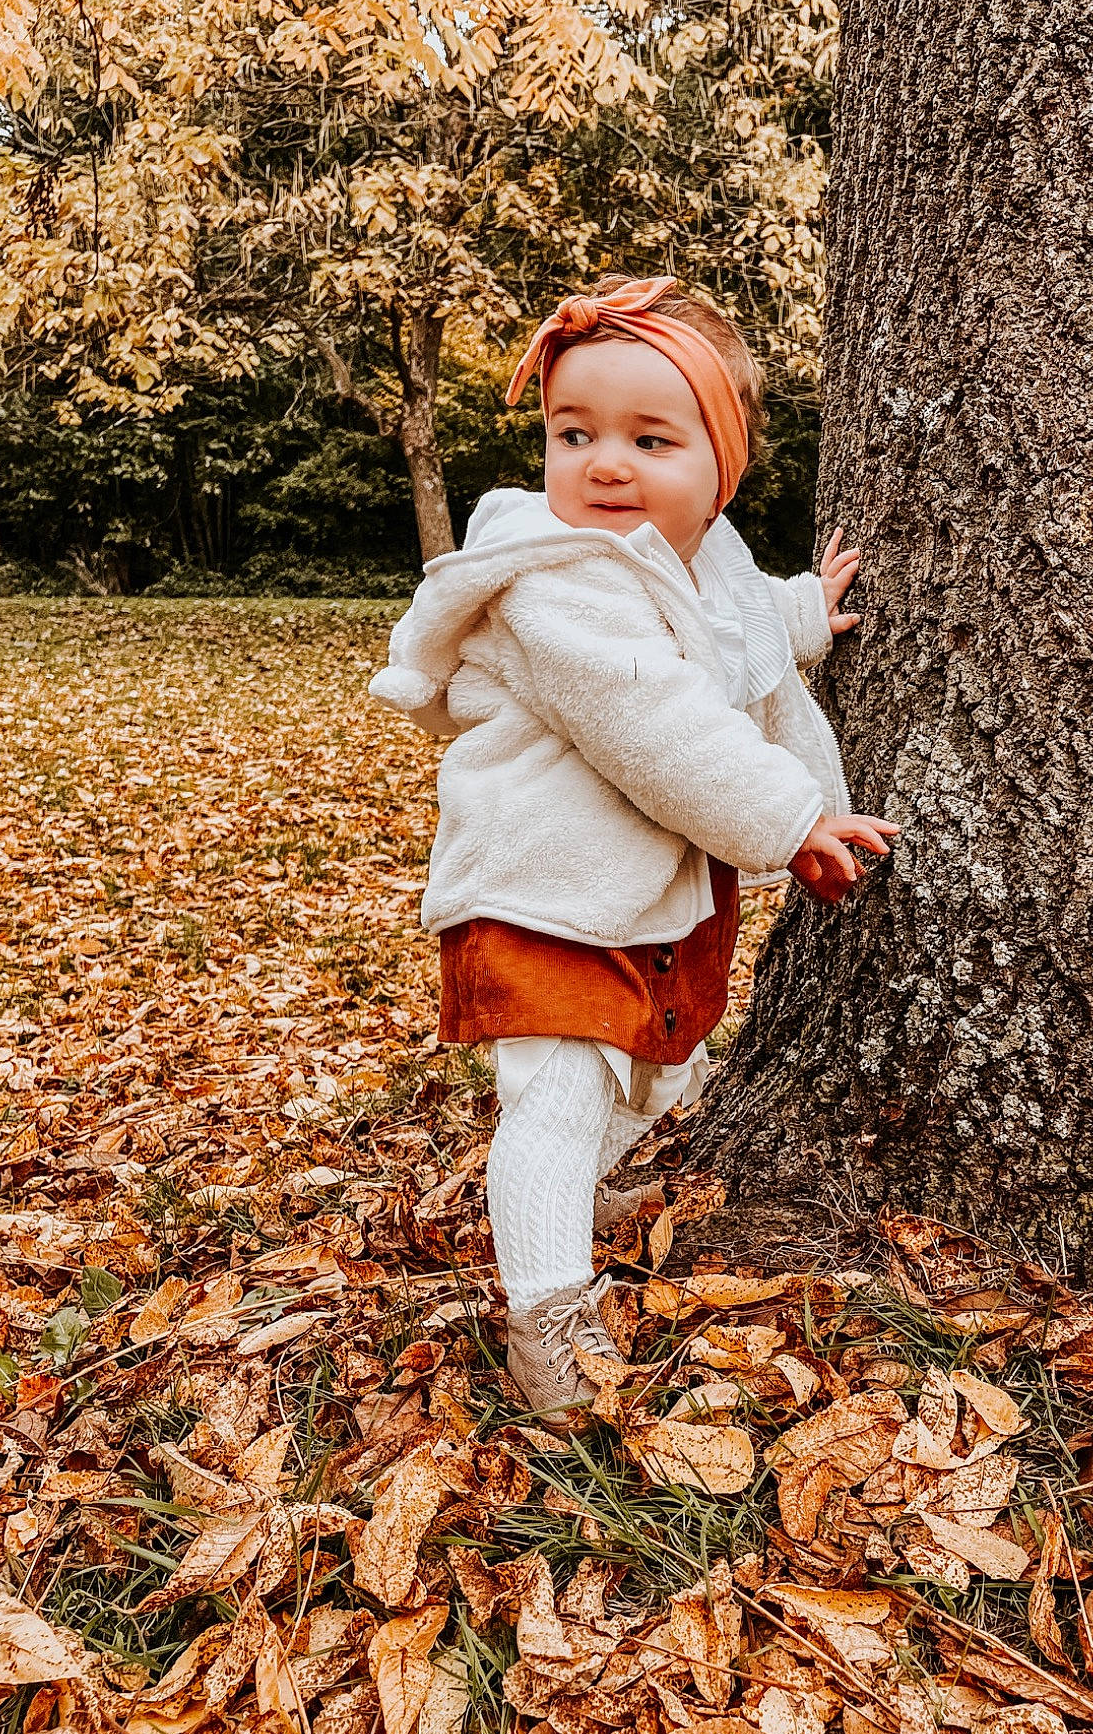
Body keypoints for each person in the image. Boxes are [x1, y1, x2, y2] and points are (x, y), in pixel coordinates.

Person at [370, 272, 897, 1424]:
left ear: (722, 469)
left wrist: (802, 613)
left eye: (650, 438)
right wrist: (791, 816)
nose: (606, 463)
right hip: (538, 888)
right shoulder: (556, 579)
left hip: (638, 893)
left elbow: (724, 627)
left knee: (667, 1071)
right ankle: (551, 1325)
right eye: (575, 433)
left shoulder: (699, 558)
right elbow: (649, 714)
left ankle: (560, 1197)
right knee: (556, 1099)